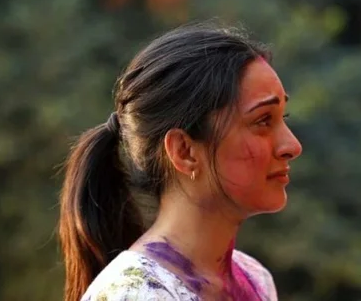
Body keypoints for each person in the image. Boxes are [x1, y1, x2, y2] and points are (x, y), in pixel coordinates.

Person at [58, 22, 302, 301]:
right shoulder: (134, 294)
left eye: (283, 118)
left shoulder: (255, 278)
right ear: (184, 151)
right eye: (262, 120)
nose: (292, 146)